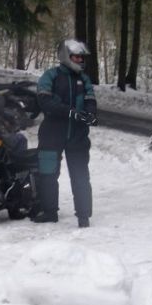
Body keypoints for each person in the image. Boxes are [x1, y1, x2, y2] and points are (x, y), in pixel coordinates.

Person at [33, 39, 97, 228]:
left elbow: (90, 100)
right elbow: (45, 102)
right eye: (76, 57)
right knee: (47, 173)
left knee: (80, 175)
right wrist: (69, 112)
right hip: (52, 133)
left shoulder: (84, 79)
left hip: (78, 135)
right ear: (66, 56)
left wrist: (90, 115)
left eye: (82, 57)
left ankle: (84, 216)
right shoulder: (50, 76)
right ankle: (49, 212)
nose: (80, 60)